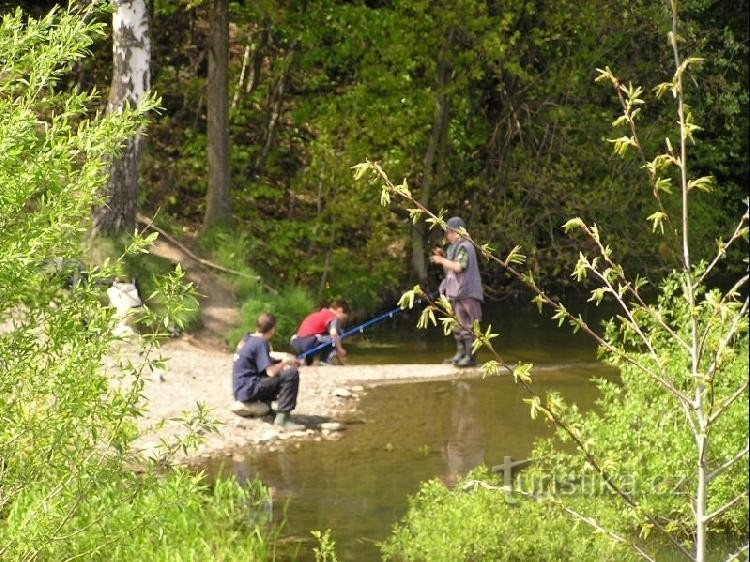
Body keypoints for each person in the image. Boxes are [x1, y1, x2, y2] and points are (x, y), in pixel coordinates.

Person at [232, 312, 305, 430]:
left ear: (257, 326)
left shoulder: (248, 338)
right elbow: (270, 372)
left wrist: (283, 357)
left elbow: (261, 359)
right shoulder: (261, 343)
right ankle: (283, 417)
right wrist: (285, 362)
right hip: (249, 389)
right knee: (290, 373)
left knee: (275, 369)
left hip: (240, 389)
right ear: (273, 329)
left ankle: (267, 407)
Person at [430, 216, 484, 367]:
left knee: (469, 326)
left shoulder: (466, 246)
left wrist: (440, 260)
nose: (448, 235)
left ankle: (470, 357)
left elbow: (459, 267)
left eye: (450, 232)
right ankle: (460, 354)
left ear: (459, 232)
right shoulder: (455, 247)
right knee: (458, 325)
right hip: (457, 293)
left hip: (468, 293)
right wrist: (443, 257)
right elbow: (450, 267)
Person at [290, 298, 350, 365]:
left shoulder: (317, 314)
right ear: (339, 310)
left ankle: (304, 362)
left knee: (324, 339)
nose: (341, 321)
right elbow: (333, 334)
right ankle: (325, 362)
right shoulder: (332, 316)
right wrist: (340, 349)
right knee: (335, 338)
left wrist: (340, 362)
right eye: (343, 318)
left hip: (295, 341)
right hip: (308, 342)